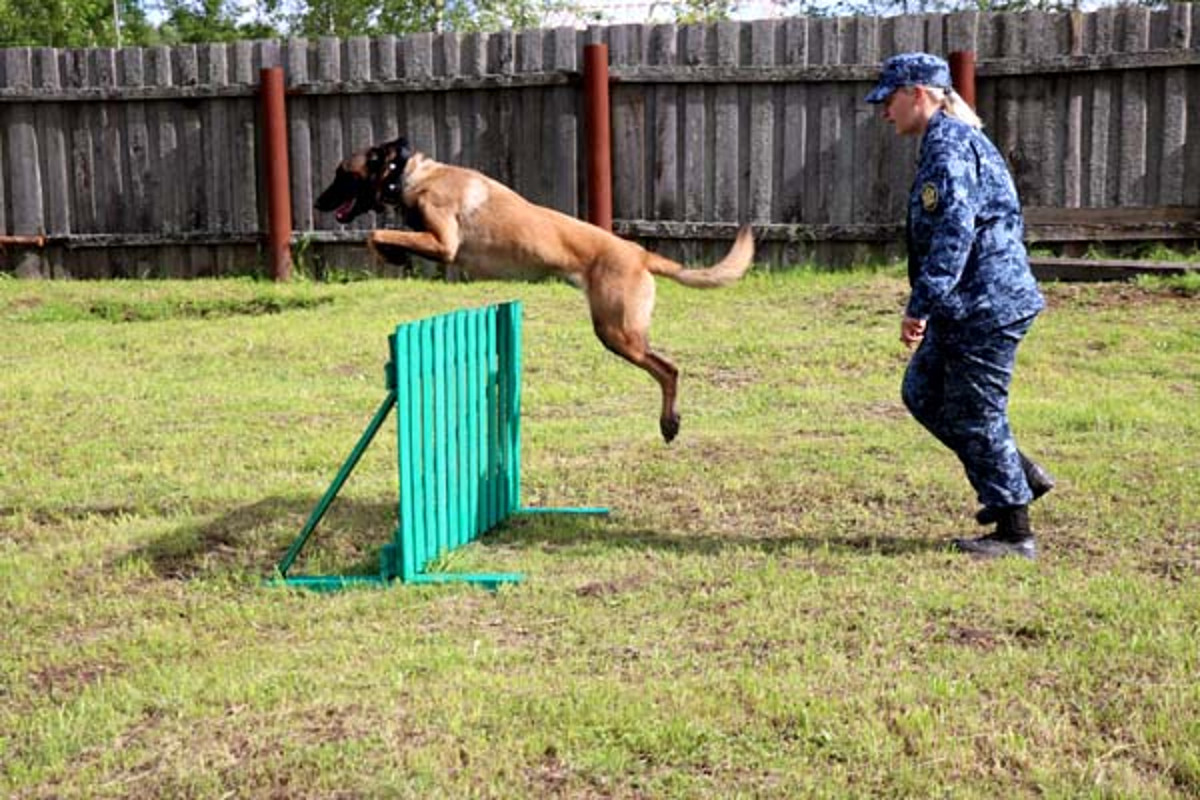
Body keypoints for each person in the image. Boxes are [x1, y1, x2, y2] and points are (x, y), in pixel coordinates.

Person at [865, 53, 1054, 559]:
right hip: (966, 302)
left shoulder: (950, 146)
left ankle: (1015, 532)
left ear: (919, 95)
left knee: (977, 412)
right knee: (921, 392)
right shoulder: (942, 142)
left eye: (890, 99)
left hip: (986, 304)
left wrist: (920, 305)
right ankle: (1017, 474)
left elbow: (954, 233)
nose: (885, 111)